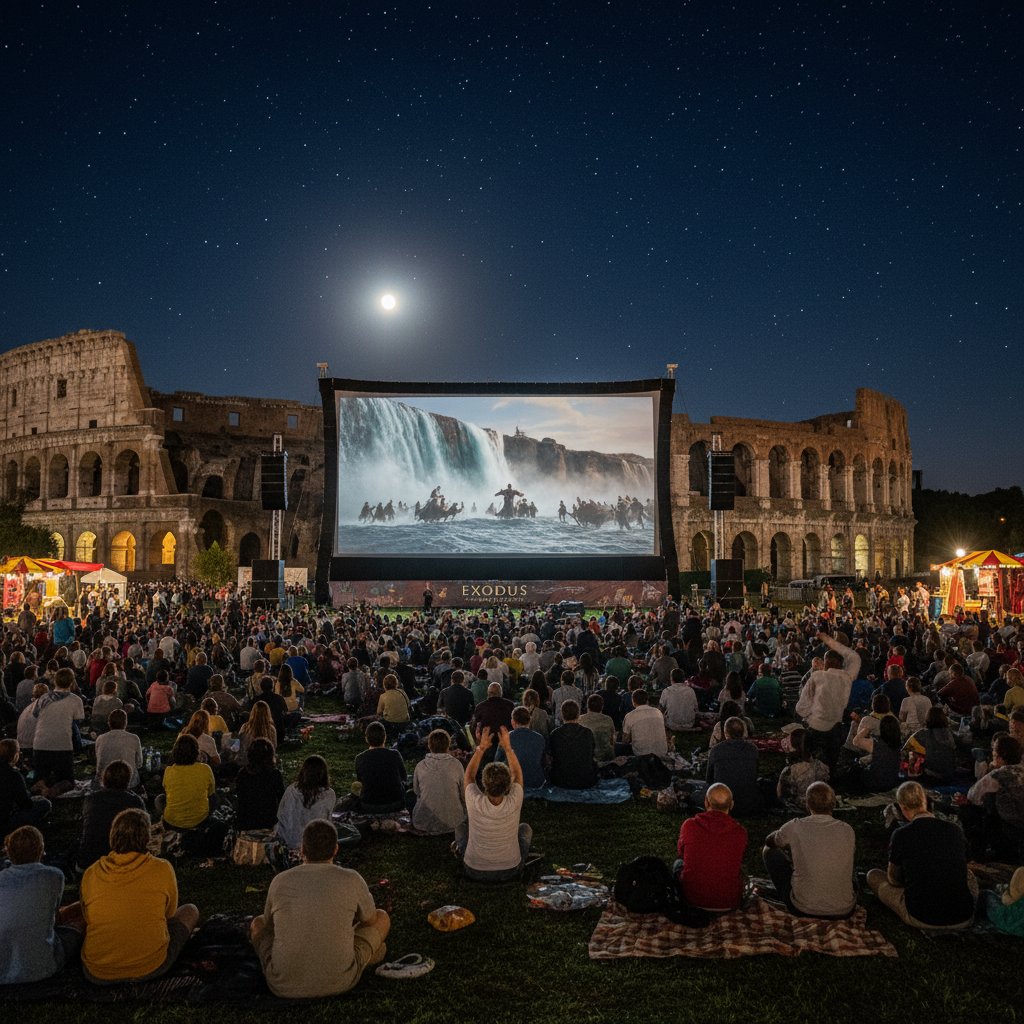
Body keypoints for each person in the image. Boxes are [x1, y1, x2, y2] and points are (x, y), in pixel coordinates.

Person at [250, 818, 390, 999]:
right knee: (382, 917)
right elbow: (371, 920)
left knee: (257, 923)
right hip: (341, 980)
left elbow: (268, 924)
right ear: (336, 849)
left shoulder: (281, 880)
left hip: (282, 984)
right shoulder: (351, 878)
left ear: (302, 850)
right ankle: (369, 954)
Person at [77, 808, 200, 983]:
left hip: (97, 971)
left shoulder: (91, 873)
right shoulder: (162, 868)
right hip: (151, 966)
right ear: (147, 838)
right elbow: (169, 915)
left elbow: (87, 916)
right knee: (190, 910)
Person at [867, 781, 977, 930]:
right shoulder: (954, 830)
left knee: (873, 875)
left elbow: (894, 880)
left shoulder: (901, 835)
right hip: (964, 916)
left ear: (902, 807)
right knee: (969, 875)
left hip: (921, 915)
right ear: (925, 801)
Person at [0, 825, 83, 984]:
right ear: (41, 850)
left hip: (4, 967)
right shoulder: (54, 876)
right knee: (81, 925)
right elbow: (55, 916)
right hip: (43, 965)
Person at [762, 782, 856, 917]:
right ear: (834, 804)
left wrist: (783, 834)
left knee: (769, 851)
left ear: (807, 804)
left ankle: (790, 893)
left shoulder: (795, 827)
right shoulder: (847, 830)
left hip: (803, 908)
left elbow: (770, 841)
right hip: (844, 910)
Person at [455, 725, 532, 882]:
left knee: (460, 828)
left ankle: (461, 850)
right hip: (511, 870)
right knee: (524, 829)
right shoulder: (515, 798)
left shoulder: (473, 798)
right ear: (508, 785)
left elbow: (469, 775)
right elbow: (517, 774)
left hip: (474, 870)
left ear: (483, 783)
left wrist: (481, 748)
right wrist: (508, 749)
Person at [675, 783, 747, 912]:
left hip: (691, 900)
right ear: (731, 805)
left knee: (678, 864)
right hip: (728, 903)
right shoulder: (740, 832)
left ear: (706, 802)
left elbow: (681, 853)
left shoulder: (689, 825)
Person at [795, 630, 861, 769]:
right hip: (836, 726)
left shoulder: (818, 677)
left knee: (811, 753)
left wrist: (806, 716)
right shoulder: (846, 678)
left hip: (817, 725)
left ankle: (810, 770)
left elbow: (802, 705)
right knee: (831, 758)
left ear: (827, 662)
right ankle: (829, 773)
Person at [960, 733, 1024, 861]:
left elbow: (973, 795)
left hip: (1010, 827)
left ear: (1001, 756)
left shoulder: (999, 775)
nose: (992, 752)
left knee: (969, 809)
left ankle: (977, 856)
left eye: (994, 749)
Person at [77, 760, 146, 870]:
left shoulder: (91, 799)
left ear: (104, 779)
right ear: (128, 780)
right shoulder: (135, 801)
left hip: (89, 862)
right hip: (124, 863)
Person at [31, 666, 84, 798]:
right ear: (71, 683)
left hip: (39, 744)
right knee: (68, 781)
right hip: (62, 745)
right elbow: (78, 721)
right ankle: (51, 792)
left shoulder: (43, 698)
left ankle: (41, 783)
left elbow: (35, 714)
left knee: (43, 774)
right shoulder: (75, 700)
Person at [702, 717, 763, 816]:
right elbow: (754, 776)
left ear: (725, 733)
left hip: (720, 803)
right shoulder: (753, 749)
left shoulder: (716, 750)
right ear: (743, 732)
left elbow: (709, 779)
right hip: (748, 804)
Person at [411, 729, 466, 835]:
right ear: (448, 746)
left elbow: (416, 791)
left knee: (409, 796)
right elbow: (463, 793)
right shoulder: (457, 765)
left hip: (424, 822)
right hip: (454, 821)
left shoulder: (420, 765)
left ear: (429, 746)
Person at [276, 755, 337, 850]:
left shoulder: (291, 790)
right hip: (316, 844)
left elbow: (281, 816)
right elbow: (327, 821)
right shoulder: (329, 794)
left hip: (290, 841)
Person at [157, 734, 216, 830]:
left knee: (159, 799)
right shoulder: (205, 769)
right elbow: (211, 793)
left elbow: (166, 791)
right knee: (215, 798)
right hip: (200, 821)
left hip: (172, 823)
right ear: (196, 752)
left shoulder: (169, 770)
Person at [354, 722, 410, 813]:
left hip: (368, 805)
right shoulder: (395, 754)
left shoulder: (360, 758)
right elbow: (404, 777)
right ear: (385, 737)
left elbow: (361, 781)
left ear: (366, 739)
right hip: (395, 803)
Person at [0, 738, 51, 836]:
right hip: (5, 822)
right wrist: (34, 795)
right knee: (44, 803)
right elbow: (25, 804)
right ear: (15, 755)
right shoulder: (13, 775)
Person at [235, 737, 286, 830]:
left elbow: (240, 797)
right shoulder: (274, 774)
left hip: (246, 821)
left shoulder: (242, 774)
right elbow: (282, 799)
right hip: (268, 822)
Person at [548, 700, 597, 789]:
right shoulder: (588, 733)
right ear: (578, 714)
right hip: (586, 780)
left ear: (562, 715)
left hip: (560, 780)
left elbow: (551, 757)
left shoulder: (555, 734)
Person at [776, 728, 830, 810]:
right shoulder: (821, 766)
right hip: (818, 801)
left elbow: (780, 794)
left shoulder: (791, 770)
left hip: (799, 804)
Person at [496, 705, 547, 789]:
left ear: (513, 722)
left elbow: (497, 761)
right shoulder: (540, 738)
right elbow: (543, 762)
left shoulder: (506, 738)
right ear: (529, 721)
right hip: (536, 783)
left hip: (513, 784)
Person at [849, 714, 902, 792]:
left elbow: (855, 741)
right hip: (892, 781)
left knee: (854, 770)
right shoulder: (898, 743)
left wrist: (866, 729)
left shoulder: (876, 744)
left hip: (876, 782)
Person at [903, 706, 957, 782]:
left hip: (930, 775)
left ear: (928, 718)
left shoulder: (921, 734)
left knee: (911, 755)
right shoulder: (950, 734)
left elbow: (905, 752)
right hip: (949, 773)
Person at [621, 688, 668, 757]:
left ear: (633, 702)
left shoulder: (630, 716)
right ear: (647, 700)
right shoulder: (658, 712)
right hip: (662, 752)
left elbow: (625, 741)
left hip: (641, 755)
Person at [237, 699, 278, 766]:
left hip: (249, 761)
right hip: (266, 761)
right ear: (268, 712)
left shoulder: (245, 727)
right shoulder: (271, 729)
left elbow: (240, 744)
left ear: (253, 712)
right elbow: (274, 746)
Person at [579, 693, 616, 763]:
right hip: (606, 757)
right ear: (602, 706)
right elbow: (612, 740)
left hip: (587, 758)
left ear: (588, 706)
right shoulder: (608, 719)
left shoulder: (580, 719)